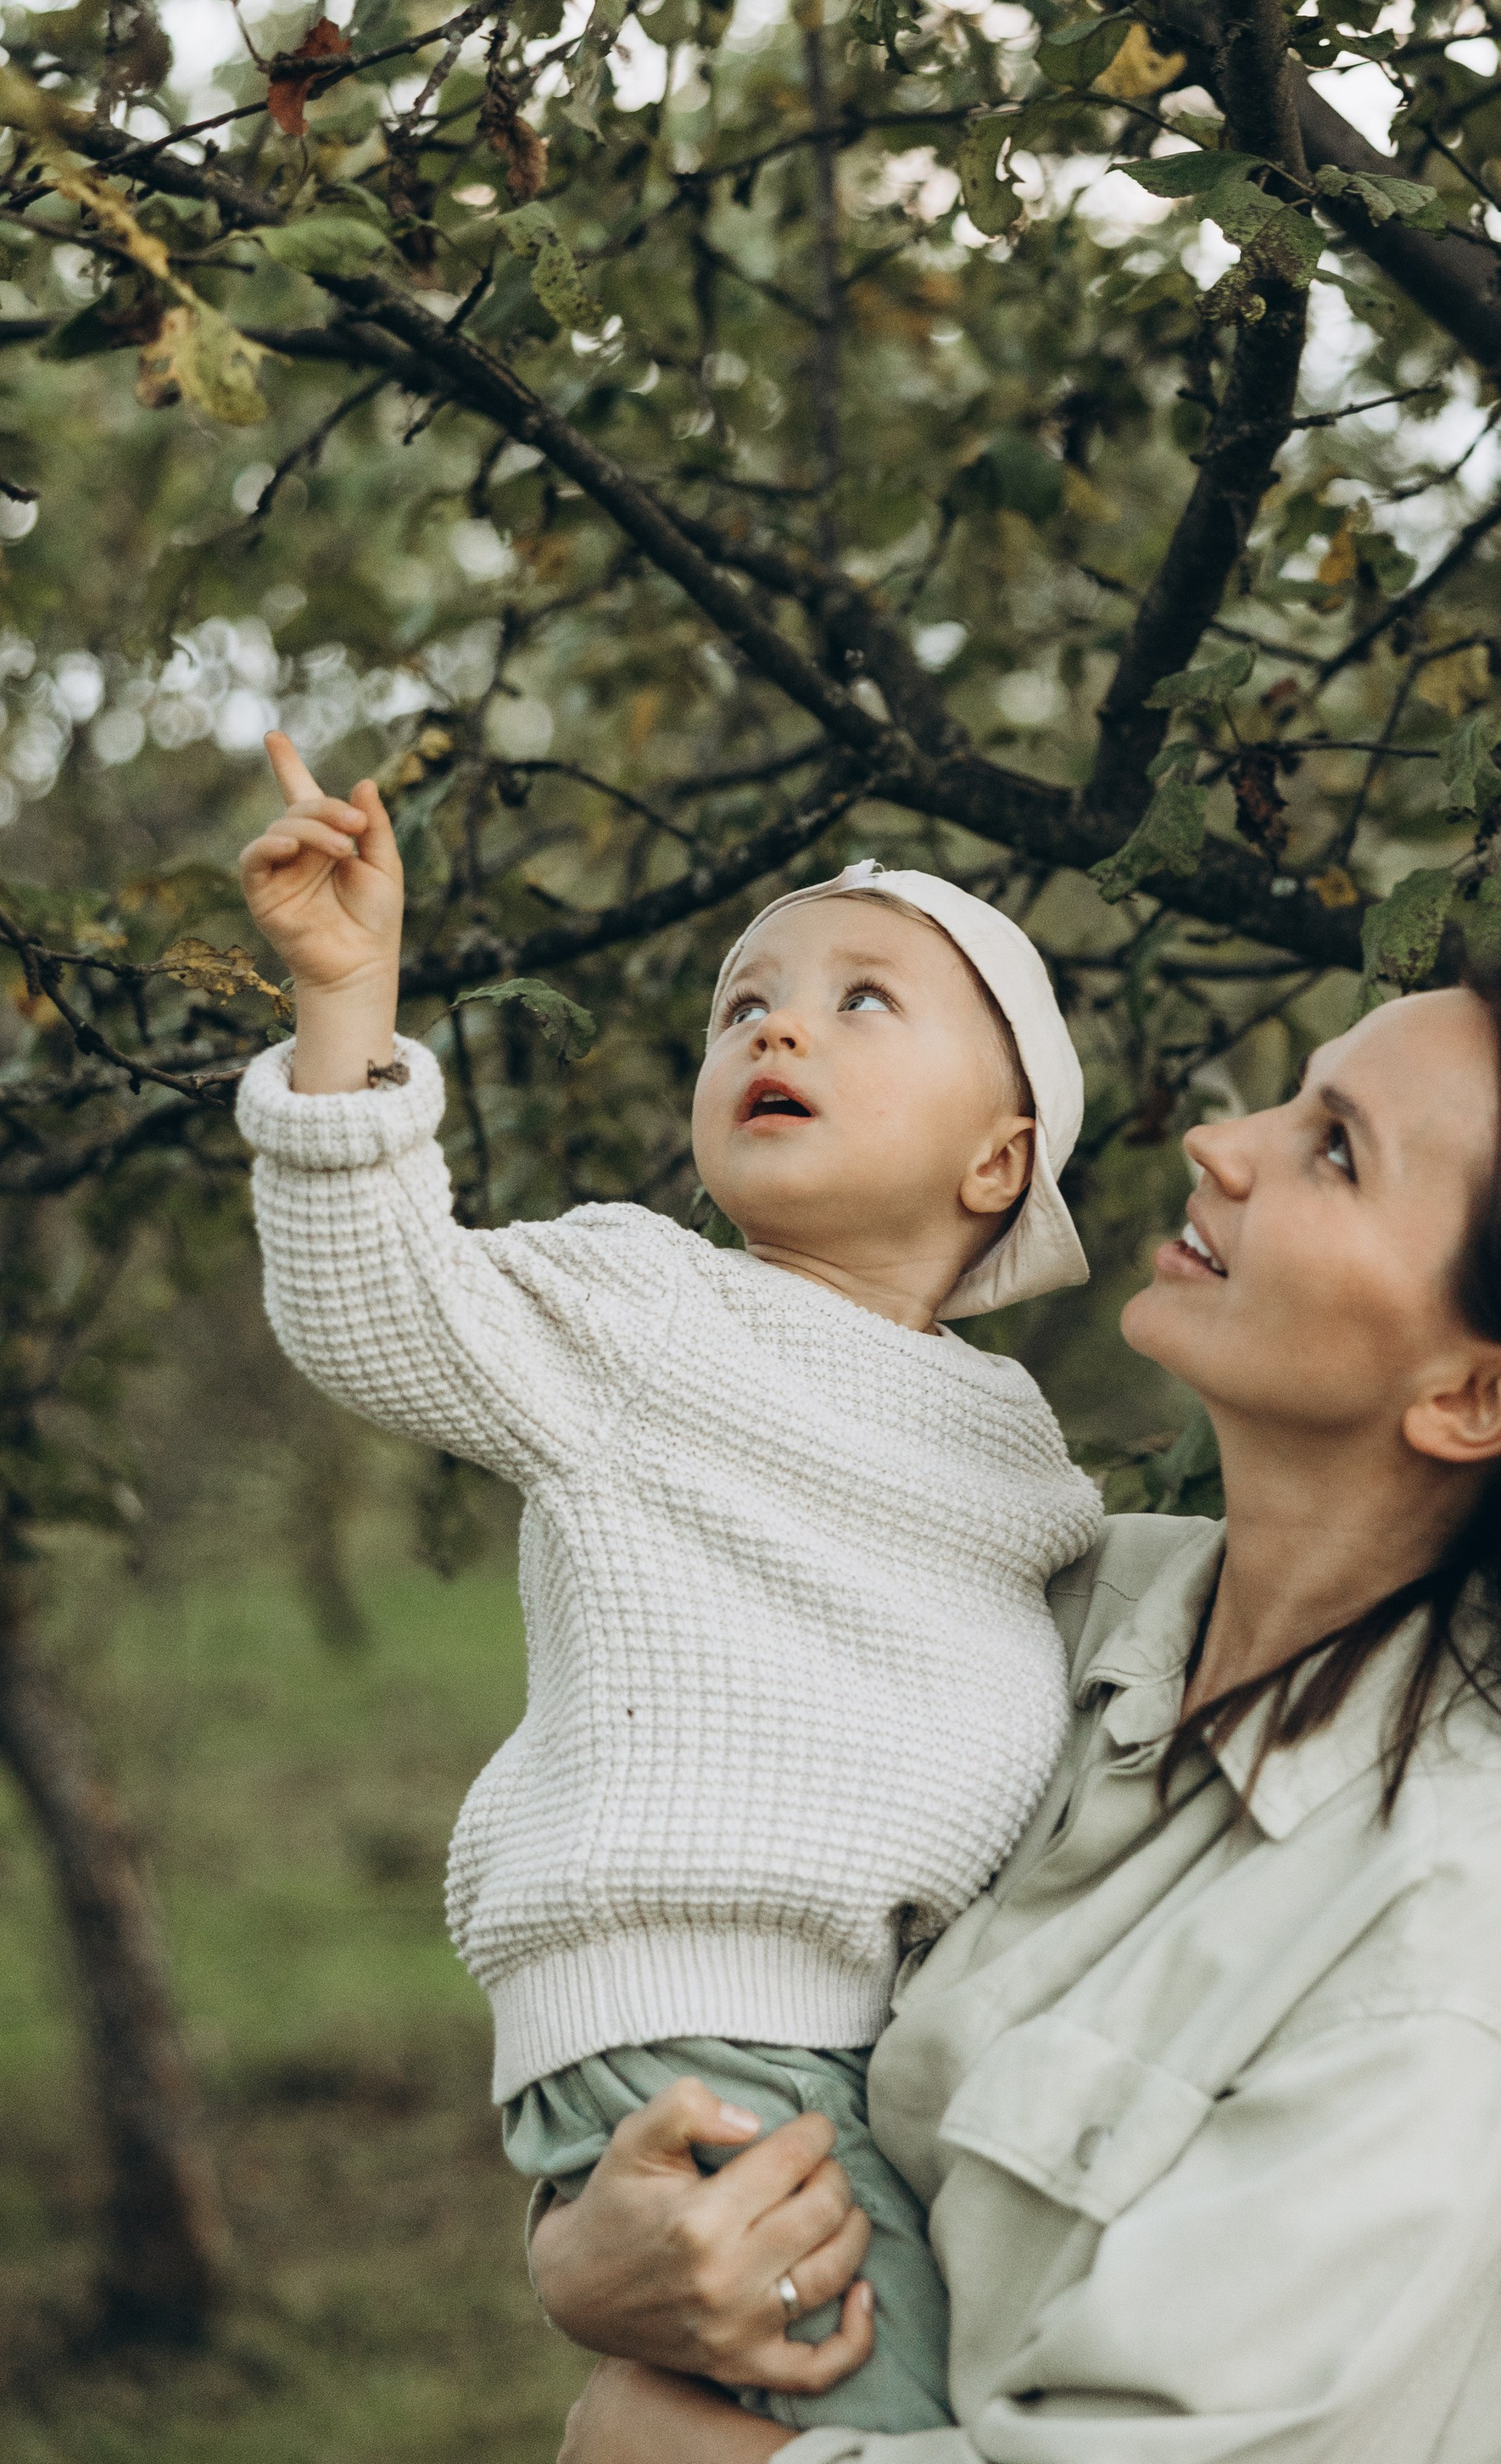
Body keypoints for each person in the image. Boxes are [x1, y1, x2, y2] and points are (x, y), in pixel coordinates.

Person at [531, 956, 1501, 2464]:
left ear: (1477, 1394)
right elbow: (721, 1976)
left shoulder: (1470, 1896)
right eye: (1291, 1099)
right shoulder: (1031, 1618)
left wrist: (667, 2446)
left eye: (1335, 1148)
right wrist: (590, 2255)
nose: (1225, 1146)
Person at [233, 733, 1105, 2434]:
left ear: (994, 1164)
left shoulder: (1014, 1448)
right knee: (920, 2431)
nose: (775, 1025)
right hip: (702, 2028)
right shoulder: (641, 1309)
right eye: (741, 1007)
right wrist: (347, 1005)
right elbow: (375, 1308)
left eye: (864, 1002)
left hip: (879, 2045)